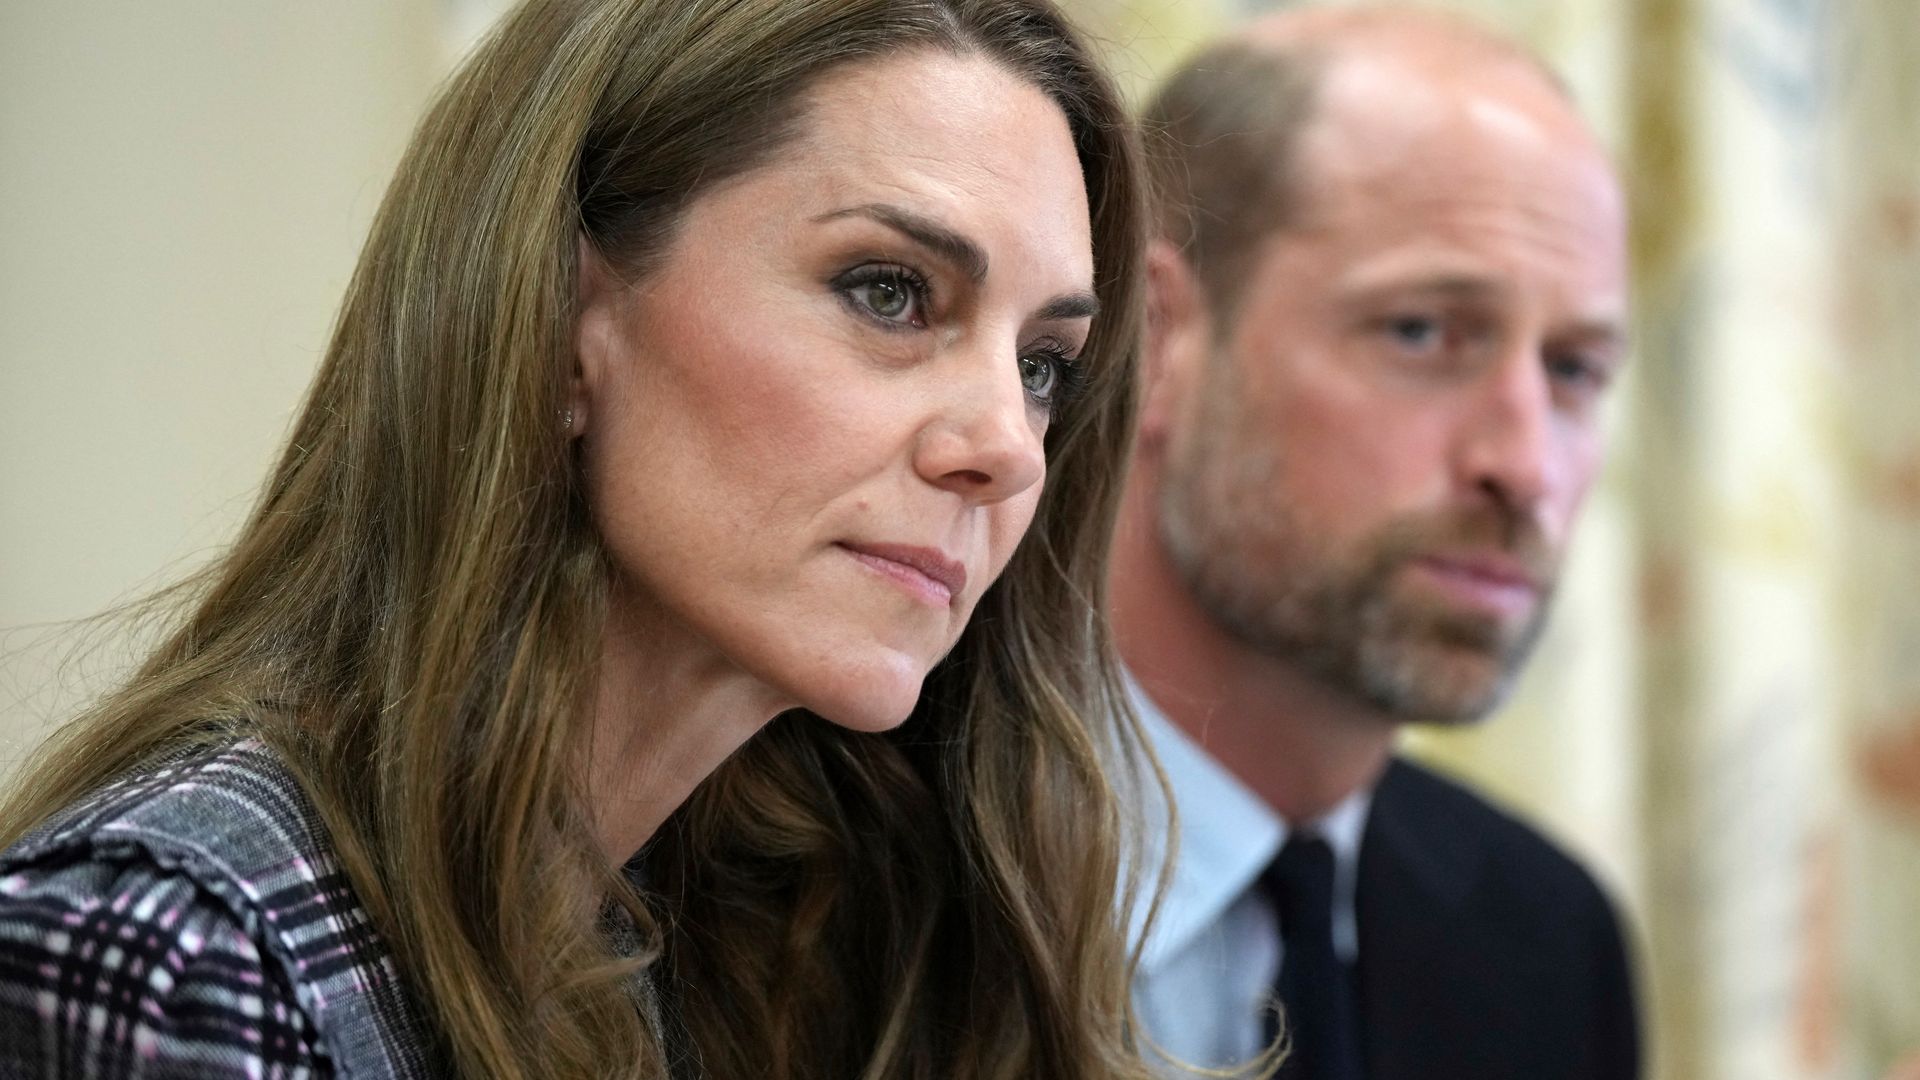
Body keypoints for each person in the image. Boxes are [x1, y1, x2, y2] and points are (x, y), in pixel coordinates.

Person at [0, 0, 1159, 1076]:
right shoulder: (170, 959)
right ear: (561, 319)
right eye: (890, 292)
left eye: (1043, 365)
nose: (1008, 446)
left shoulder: (774, 951)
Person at [1114, 8, 1639, 1079]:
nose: (1527, 466)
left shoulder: (1547, 942)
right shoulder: (809, 873)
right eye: (1424, 332)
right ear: (1154, 339)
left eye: (1574, 369)